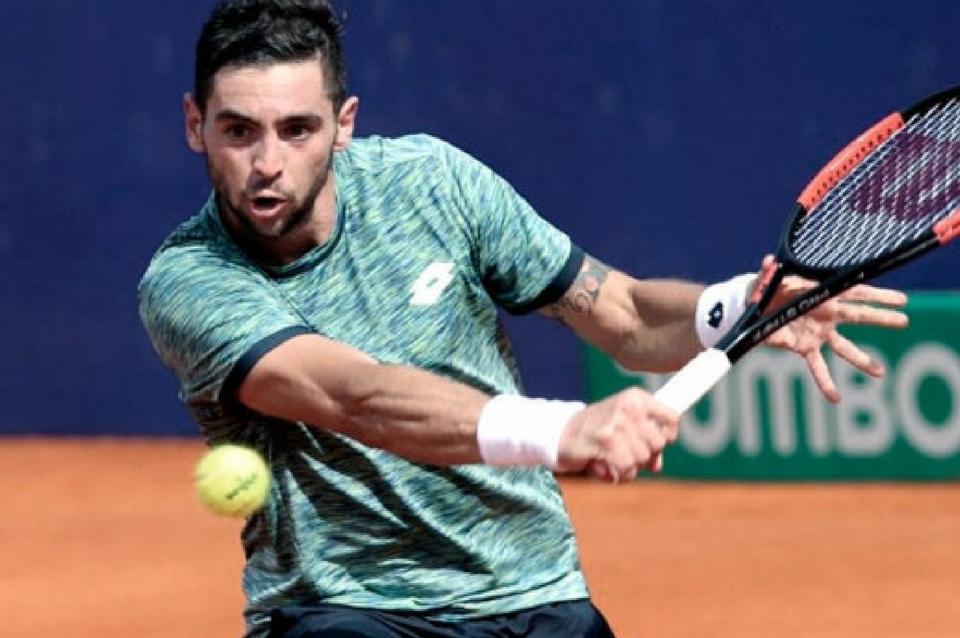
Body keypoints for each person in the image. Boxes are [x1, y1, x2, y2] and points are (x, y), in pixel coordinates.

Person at [137, 1, 909, 636]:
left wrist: (739, 305)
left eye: (296, 130)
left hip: (536, 592)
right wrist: (565, 429)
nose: (267, 163)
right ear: (195, 124)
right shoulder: (189, 280)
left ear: (344, 124)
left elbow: (624, 314)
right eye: (238, 130)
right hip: (346, 609)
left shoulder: (434, 182)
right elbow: (355, 395)